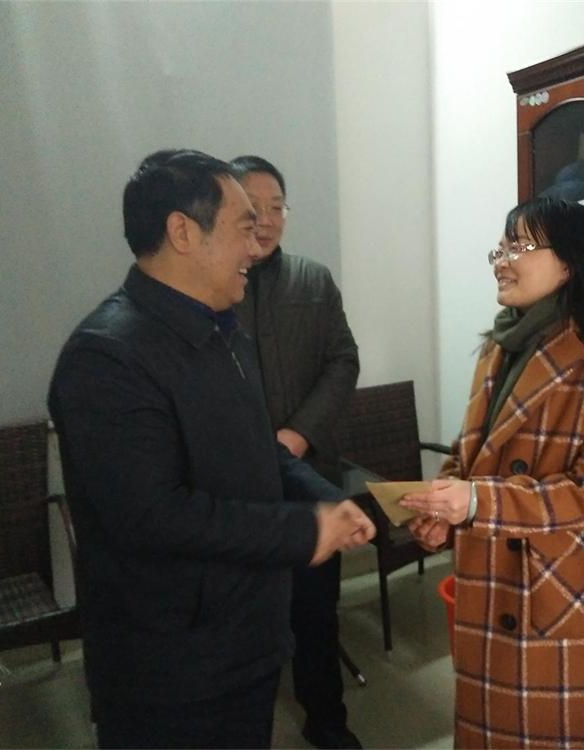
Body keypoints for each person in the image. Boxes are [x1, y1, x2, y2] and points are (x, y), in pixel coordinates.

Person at [47, 149, 375, 749]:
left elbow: (260, 451)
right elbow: (153, 516)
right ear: (183, 232)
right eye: (244, 227)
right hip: (171, 667)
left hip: (245, 640)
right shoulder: (107, 357)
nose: (257, 244)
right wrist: (303, 530)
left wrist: (328, 500)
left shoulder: (223, 331)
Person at [401, 197, 584, 748]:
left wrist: (477, 503)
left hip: (563, 596)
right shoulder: (499, 347)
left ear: (569, 263)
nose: (501, 260)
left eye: (518, 246)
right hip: (493, 583)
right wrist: (444, 509)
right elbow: (469, 452)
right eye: (500, 248)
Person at [228, 155, 362, 750]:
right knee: (244, 615)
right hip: (237, 488)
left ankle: (327, 721)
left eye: (276, 206)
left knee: (315, 611)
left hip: (309, 476)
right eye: (252, 208)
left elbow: (343, 361)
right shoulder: (211, 286)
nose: (266, 219)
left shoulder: (313, 280)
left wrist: (299, 434)